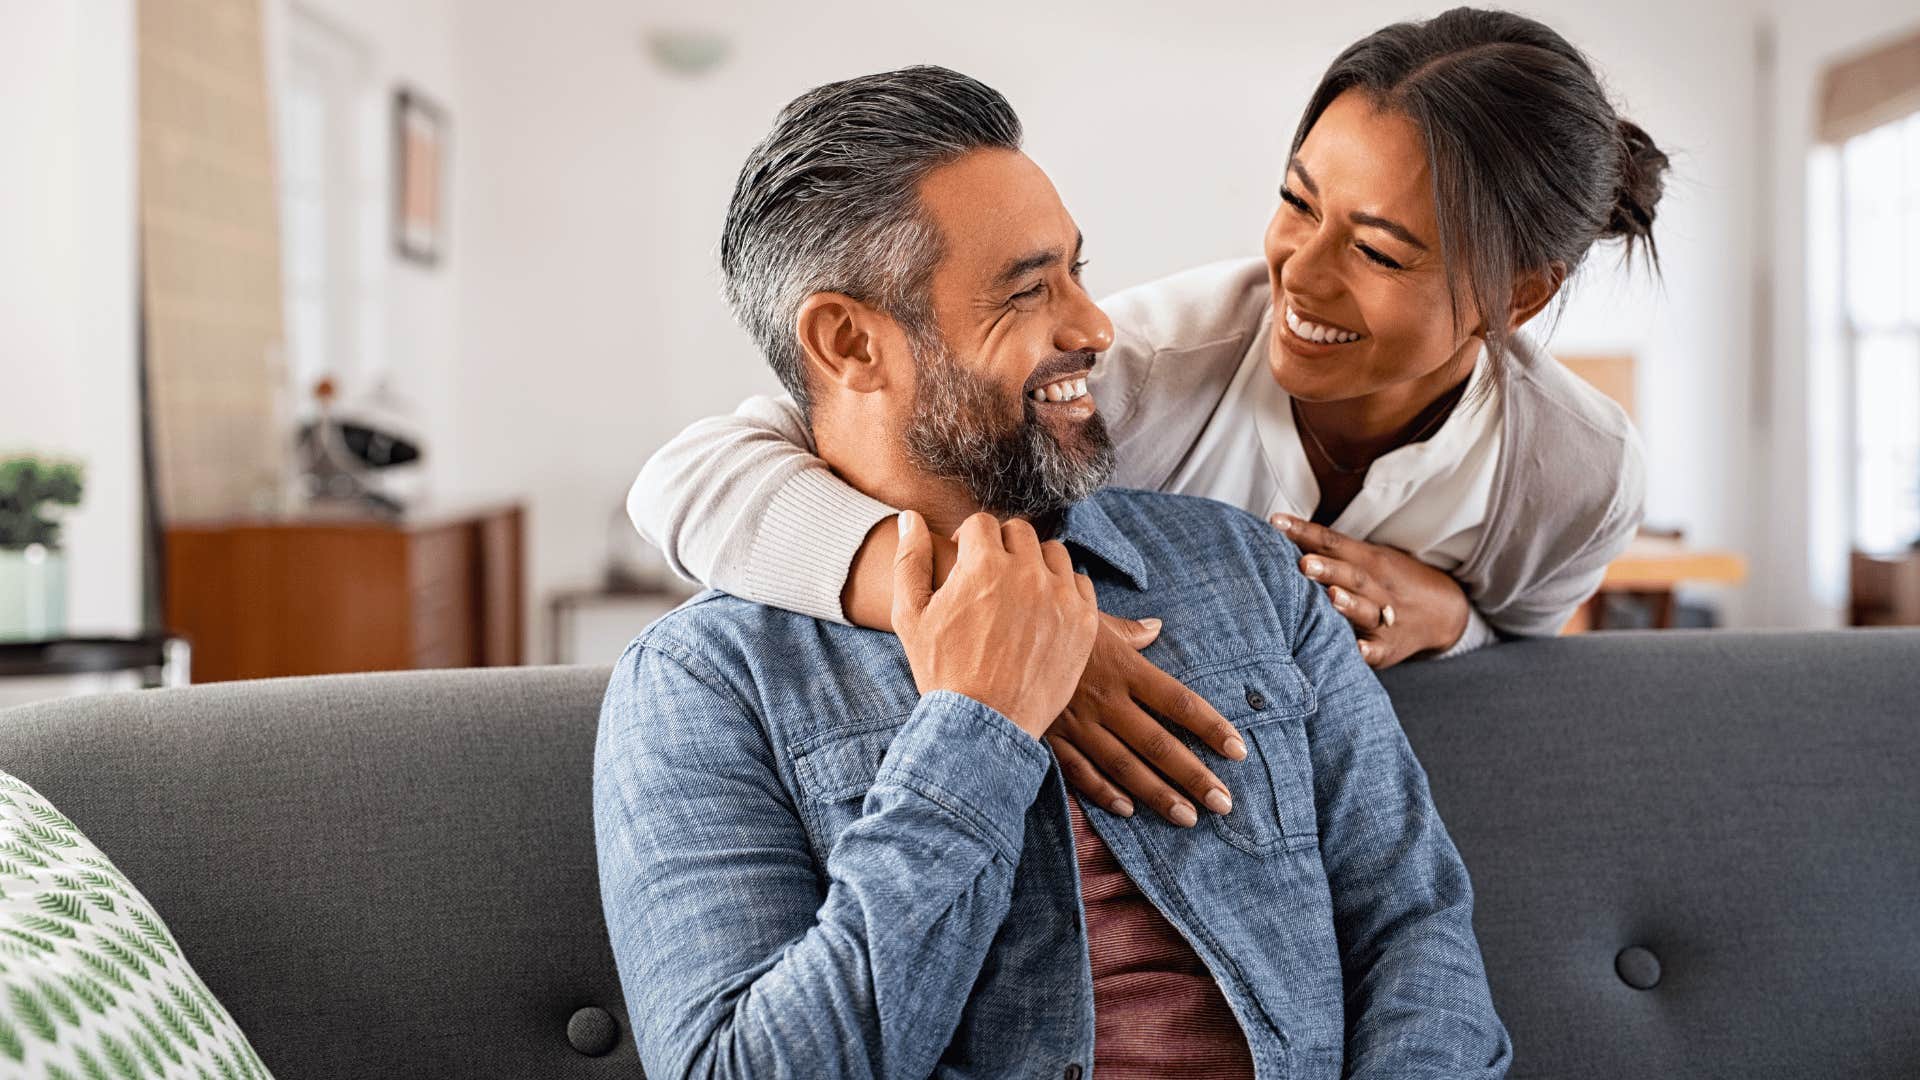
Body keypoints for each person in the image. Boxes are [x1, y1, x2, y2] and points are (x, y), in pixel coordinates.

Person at [595, 65, 1509, 1079]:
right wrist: (974, 730)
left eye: (1078, 270)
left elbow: (1416, 927)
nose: (1095, 326)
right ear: (850, 341)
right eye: (1030, 290)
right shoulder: (704, 683)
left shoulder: (1246, 568)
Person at [626, 8, 1661, 828]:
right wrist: (1008, 623)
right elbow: (689, 479)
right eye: (1298, 203)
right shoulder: (1147, 369)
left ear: (1516, 297)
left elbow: (1526, 660)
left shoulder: (1576, 473)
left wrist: (1454, 621)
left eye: (1381, 251)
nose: (1298, 269)